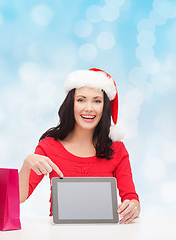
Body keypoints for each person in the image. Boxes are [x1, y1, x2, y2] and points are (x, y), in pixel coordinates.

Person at [19, 68, 140, 224]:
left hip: (104, 234)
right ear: (71, 104)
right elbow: (20, 197)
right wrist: (27, 164)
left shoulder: (117, 149)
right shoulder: (48, 147)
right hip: (60, 234)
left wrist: (133, 208)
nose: (89, 108)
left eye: (97, 101)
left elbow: (131, 198)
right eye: (81, 100)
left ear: (105, 107)